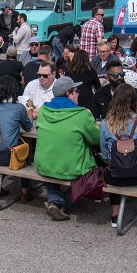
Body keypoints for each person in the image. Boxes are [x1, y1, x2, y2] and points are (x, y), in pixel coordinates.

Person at [34, 76, 98, 221]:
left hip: (44, 164)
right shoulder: (82, 114)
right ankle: (62, 201)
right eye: (77, 91)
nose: (79, 94)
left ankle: (54, 202)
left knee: (53, 164)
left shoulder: (43, 110)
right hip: (71, 168)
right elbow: (96, 139)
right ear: (69, 94)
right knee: (94, 176)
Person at [98, 83, 137, 227]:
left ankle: (115, 214)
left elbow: (105, 155)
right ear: (135, 101)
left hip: (114, 178)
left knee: (114, 166)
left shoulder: (105, 123)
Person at [0, 75, 34, 202]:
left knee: (2, 144)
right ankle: (25, 189)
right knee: (25, 148)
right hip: (6, 157)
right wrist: (31, 108)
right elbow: (28, 127)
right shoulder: (19, 108)